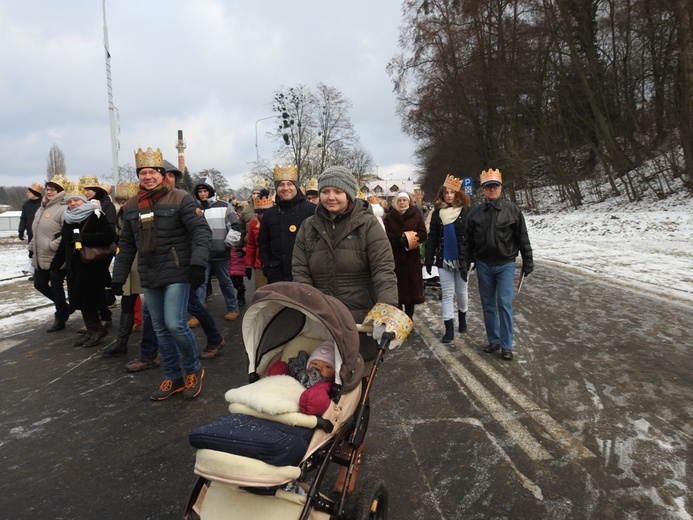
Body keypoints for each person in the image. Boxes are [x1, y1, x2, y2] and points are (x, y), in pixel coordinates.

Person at [112, 147, 211, 401]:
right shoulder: (133, 204)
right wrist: (117, 278)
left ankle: (193, 370)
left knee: (175, 324)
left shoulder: (181, 198)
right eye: (142, 173)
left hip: (178, 271)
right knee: (159, 328)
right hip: (150, 273)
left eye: (152, 172)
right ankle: (172, 375)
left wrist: (198, 264)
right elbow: (127, 245)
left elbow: (201, 232)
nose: (148, 177)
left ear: (162, 174)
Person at [292, 165, 398, 360]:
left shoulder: (368, 225)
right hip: (323, 316)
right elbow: (300, 269)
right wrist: (310, 305)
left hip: (360, 316)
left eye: (338, 191)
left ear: (349, 194)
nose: (331, 197)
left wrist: (385, 312)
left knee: (358, 376)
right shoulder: (308, 227)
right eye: (325, 191)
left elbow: (383, 270)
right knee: (323, 373)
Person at [465, 169, 534, 361]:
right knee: (488, 304)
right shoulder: (475, 213)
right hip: (484, 264)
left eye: (495, 186)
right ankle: (494, 340)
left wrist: (528, 260)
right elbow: (468, 241)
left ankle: (506, 345)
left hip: (506, 264)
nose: (492, 189)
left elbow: (523, 238)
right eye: (488, 187)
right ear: (483, 190)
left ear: (501, 188)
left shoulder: (512, 210)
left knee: (504, 303)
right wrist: (466, 262)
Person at [50, 184, 115, 348]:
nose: (72, 204)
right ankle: (93, 330)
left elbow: (108, 236)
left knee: (90, 298)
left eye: (76, 200)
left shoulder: (95, 214)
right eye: (70, 201)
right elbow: (64, 243)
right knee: (80, 299)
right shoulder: (69, 218)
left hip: (92, 265)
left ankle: (98, 329)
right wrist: (55, 264)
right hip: (75, 266)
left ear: (84, 201)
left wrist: (82, 238)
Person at [424, 175, 472, 343]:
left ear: (458, 194)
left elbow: (472, 237)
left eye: (452, 192)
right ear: (442, 195)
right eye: (446, 193)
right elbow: (433, 239)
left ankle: (463, 318)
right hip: (444, 261)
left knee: (462, 293)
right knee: (447, 295)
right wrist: (429, 260)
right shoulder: (437, 214)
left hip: (462, 260)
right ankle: (449, 329)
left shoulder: (466, 212)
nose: (449, 196)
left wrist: (473, 259)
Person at [102, 182, 141, 358]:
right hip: (127, 261)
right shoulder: (121, 215)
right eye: (121, 201)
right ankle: (122, 342)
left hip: (142, 261)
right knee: (127, 301)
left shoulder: (140, 213)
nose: (124, 204)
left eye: (127, 200)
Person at [193, 176, 240, 321]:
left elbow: (236, 227)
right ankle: (198, 313)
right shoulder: (194, 208)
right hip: (201, 253)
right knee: (199, 284)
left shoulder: (224, 206)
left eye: (205, 191)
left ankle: (233, 308)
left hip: (220, 253)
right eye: (200, 191)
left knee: (225, 281)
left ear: (210, 191)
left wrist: (226, 244)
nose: (202, 194)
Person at [259, 164, 316, 283]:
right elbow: (263, 244)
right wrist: (267, 267)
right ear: (276, 188)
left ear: (296, 187)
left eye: (289, 184)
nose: (285, 188)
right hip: (277, 276)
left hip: (307, 276)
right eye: (281, 185)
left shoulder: (312, 210)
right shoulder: (269, 214)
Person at [29, 174, 72, 333]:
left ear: (60, 191)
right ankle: (65, 307)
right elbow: (37, 230)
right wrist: (32, 247)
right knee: (39, 284)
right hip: (40, 255)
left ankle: (60, 316)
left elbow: (66, 233)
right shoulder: (42, 207)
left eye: (53, 190)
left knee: (56, 287)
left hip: (55, 256)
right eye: (47, 189)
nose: (49, 192)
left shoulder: (63, 207)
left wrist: (52, 245)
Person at [383, 191, 427, 319]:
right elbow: (385, 234)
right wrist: (397, 238)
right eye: (399, 200)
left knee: (411, 291)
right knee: (397, 291)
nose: (402, 203)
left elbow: (423, 233)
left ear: (409, 202)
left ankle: (409, 317)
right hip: (395, 258)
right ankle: (398, 319)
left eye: (404, 200)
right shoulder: (389, 217)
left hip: (411, 258)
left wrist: (409, 239)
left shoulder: (416, 216)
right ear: (395, 202)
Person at [80, 175, 117, 330]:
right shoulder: (84, 204)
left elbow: (108, 227)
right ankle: (97, 317)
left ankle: (104, 316)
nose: (87, 192)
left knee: (98, 284)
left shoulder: (106, 204)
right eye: (85, 190)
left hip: (101, 249)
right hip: (87, 248)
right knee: (92, 285)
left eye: (89, 189)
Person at [266, 340, 336, 416]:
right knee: (280, 370)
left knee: (316, 398)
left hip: (309, 401)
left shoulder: (328, 385)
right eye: (315, 363)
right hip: (288, 394)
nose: (318, 368)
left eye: (327, 366)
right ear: (308, 365)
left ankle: (310, 404)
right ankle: (274, 383)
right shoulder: (301, 372)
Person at [244, 189, 272, 289]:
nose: (262, 216)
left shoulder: (276, 221)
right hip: (260, 264)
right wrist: (248, 264)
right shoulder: (253, 223)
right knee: (261, 294)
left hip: (275, 263)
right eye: (260, 213)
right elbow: (251, 244)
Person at [18, 182, 43, 281]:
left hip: (42, 233)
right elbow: (23, 218)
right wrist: (21, 231)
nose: (27, 194)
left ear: (35, 193)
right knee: (32, 253)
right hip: (31, 233)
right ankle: (35, 272)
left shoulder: (43, 203)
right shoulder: (26, 205)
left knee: (42, 253)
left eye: (29, 192)